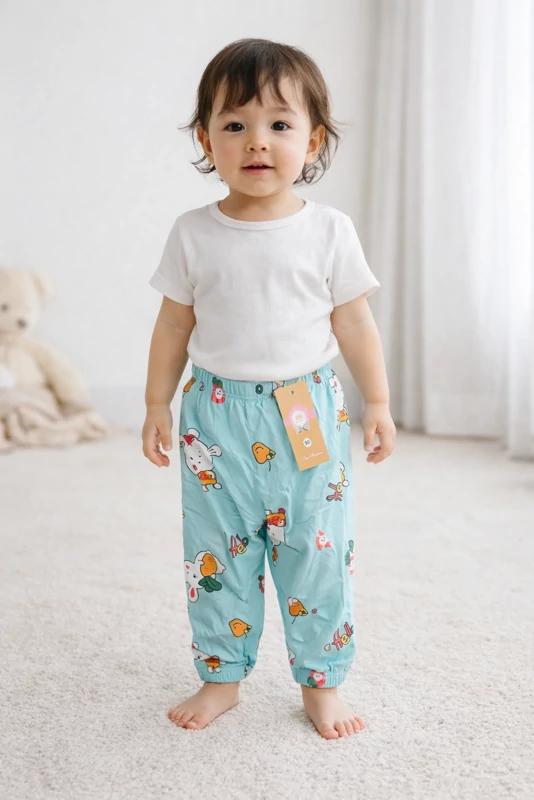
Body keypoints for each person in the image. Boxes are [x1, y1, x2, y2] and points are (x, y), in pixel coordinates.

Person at [142, 38, 396, 741]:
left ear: (312, 140)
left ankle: (322, 681)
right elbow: (173, 325)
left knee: (315, 552)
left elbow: (355, 322)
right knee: (217, 553)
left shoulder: (329, 231)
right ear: (206, 140)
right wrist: (156, 402)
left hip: (303, 411)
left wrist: (377, 402)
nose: (258, 140)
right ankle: (221, 676)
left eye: (280, 124)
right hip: (214, 417)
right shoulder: (193, 233)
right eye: (235, 124)